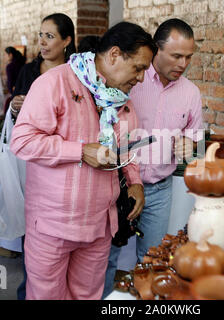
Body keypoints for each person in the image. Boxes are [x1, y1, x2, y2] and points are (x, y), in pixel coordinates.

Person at [10, 21, 156, 300]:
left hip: (100, 226)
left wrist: (135, 181)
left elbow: (128, 147)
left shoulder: (122, 99)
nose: (140, 78)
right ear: (114, 55)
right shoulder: (55, 82)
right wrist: (80, 151)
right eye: (138, 68)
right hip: (53, 226)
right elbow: (23, 140)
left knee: (88, 295)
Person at [102, 18, 203, 298]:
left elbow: (199, 142)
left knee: (152, 259)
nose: (183, 64)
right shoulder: (131, 78)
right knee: (105, 259)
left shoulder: (191, 93)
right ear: (156, 50)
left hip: (159, 189)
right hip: (117, 185)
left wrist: (191, 146)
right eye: (176, 56)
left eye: (188, 57)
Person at [8, 12, 77, 300]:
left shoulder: (78, 74)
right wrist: (15, 107)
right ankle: (29, 290)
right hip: (35, 160)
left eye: (50, 35)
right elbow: (22, 124)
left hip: (68, 160)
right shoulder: (29, 71)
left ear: (67, 41)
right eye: (40, 35)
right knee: (33, 226)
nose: (42, 41)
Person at [3, 46, 25, 114]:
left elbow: (10, 83)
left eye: (5, 55)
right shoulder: (23, 64)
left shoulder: (10, 67)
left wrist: (11, 92)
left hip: (15, 94)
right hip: (24, 94)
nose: (5, 57)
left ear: (10, 55)